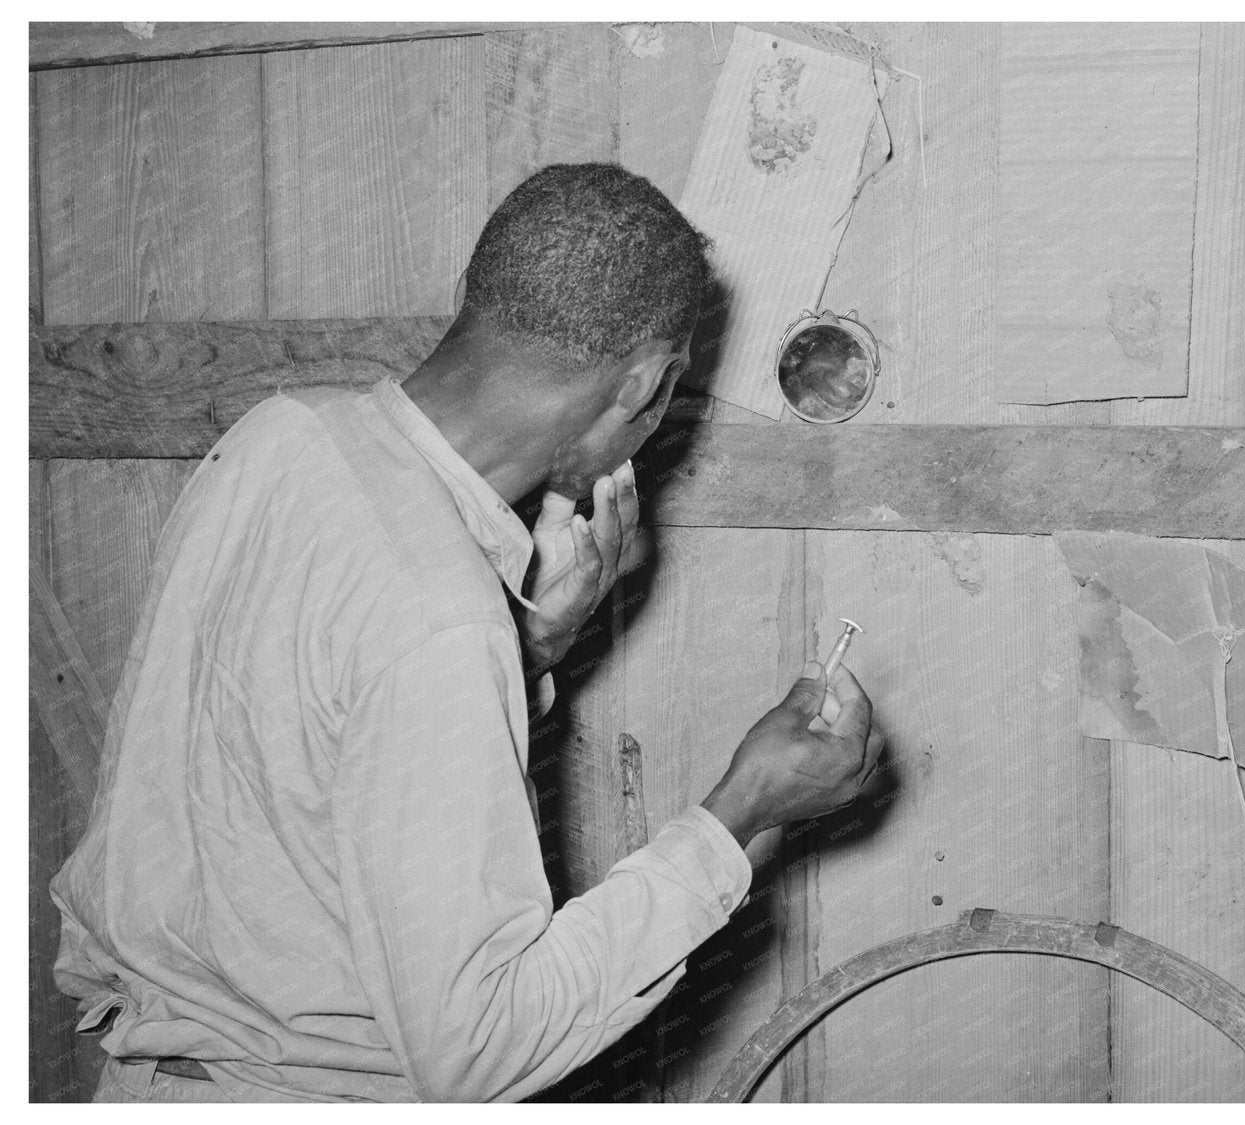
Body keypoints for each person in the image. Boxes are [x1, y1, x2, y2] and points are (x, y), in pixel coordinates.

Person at [51, 163, 884, 1103]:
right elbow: (482, 1048)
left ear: (473, 296)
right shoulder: (441, 619)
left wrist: (528, 646)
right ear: (645, 384)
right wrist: (744, 810)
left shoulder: (281, 434)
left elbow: (311, 755)